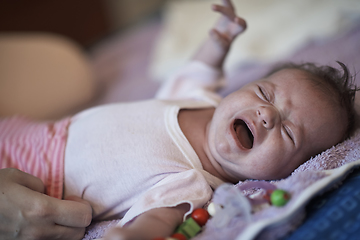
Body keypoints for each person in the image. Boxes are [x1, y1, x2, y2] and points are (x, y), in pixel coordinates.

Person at [0, 0, 357, 240]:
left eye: (290, 132)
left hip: (33, 178)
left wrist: (131, 236)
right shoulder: (200, 100)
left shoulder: (191, 184)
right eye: (264, 93)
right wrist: (218, 43)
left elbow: (157, 220)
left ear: (289, 171)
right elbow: (199, 70)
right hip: (30, 129)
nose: (267, 114)